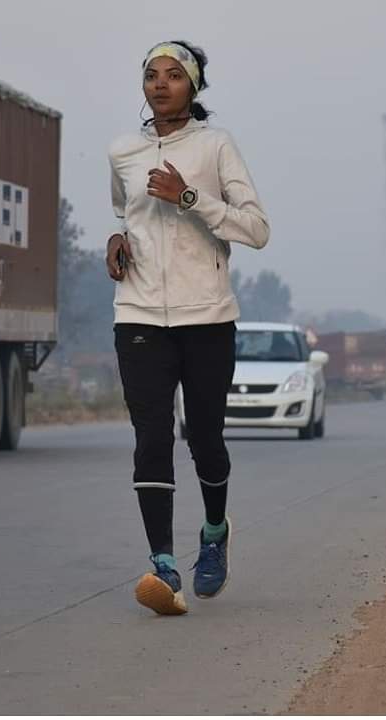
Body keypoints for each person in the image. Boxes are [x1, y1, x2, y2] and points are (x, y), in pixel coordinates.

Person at [106, 40, 269, 615]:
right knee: (151, 438)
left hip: (208, 317)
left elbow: (256, 230)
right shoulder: (123, 151)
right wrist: (117, 238)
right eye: (151, 74)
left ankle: (215, 533)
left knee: (204, 439)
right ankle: (164, 567)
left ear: (193, 86)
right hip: (139, 313)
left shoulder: (216, 145)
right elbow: (123, 210)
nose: (160, 83)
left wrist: (190, 197)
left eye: (174, 75)